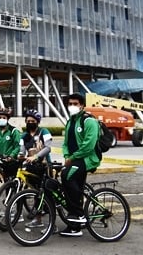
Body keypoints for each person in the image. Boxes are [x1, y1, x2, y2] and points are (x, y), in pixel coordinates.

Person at [60, 93, 101, 237]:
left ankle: (79, 213)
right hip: (74, 159)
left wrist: (72, 157)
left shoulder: (89, 121)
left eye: (75, 103)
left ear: (82, 105)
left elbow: (88, 145)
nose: (72, 106)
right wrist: (66, 156)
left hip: (87, 158)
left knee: (66, 175)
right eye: (70, 103)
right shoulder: (70, 121)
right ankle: (74, 228)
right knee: (67, 185)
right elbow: (65, 143)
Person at [17, 109, 53, 229]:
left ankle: (50, 222)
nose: (30, 122)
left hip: (44, 167)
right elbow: (22, 150)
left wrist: (36, 156)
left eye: (33, 121)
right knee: (36, 193)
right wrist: (20, 155)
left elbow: (48, 148)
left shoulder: (44, 132)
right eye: (28, 121)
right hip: (32, 168)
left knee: (46, 194)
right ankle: (38, 219)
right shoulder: (24, 136)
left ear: (37, 122)